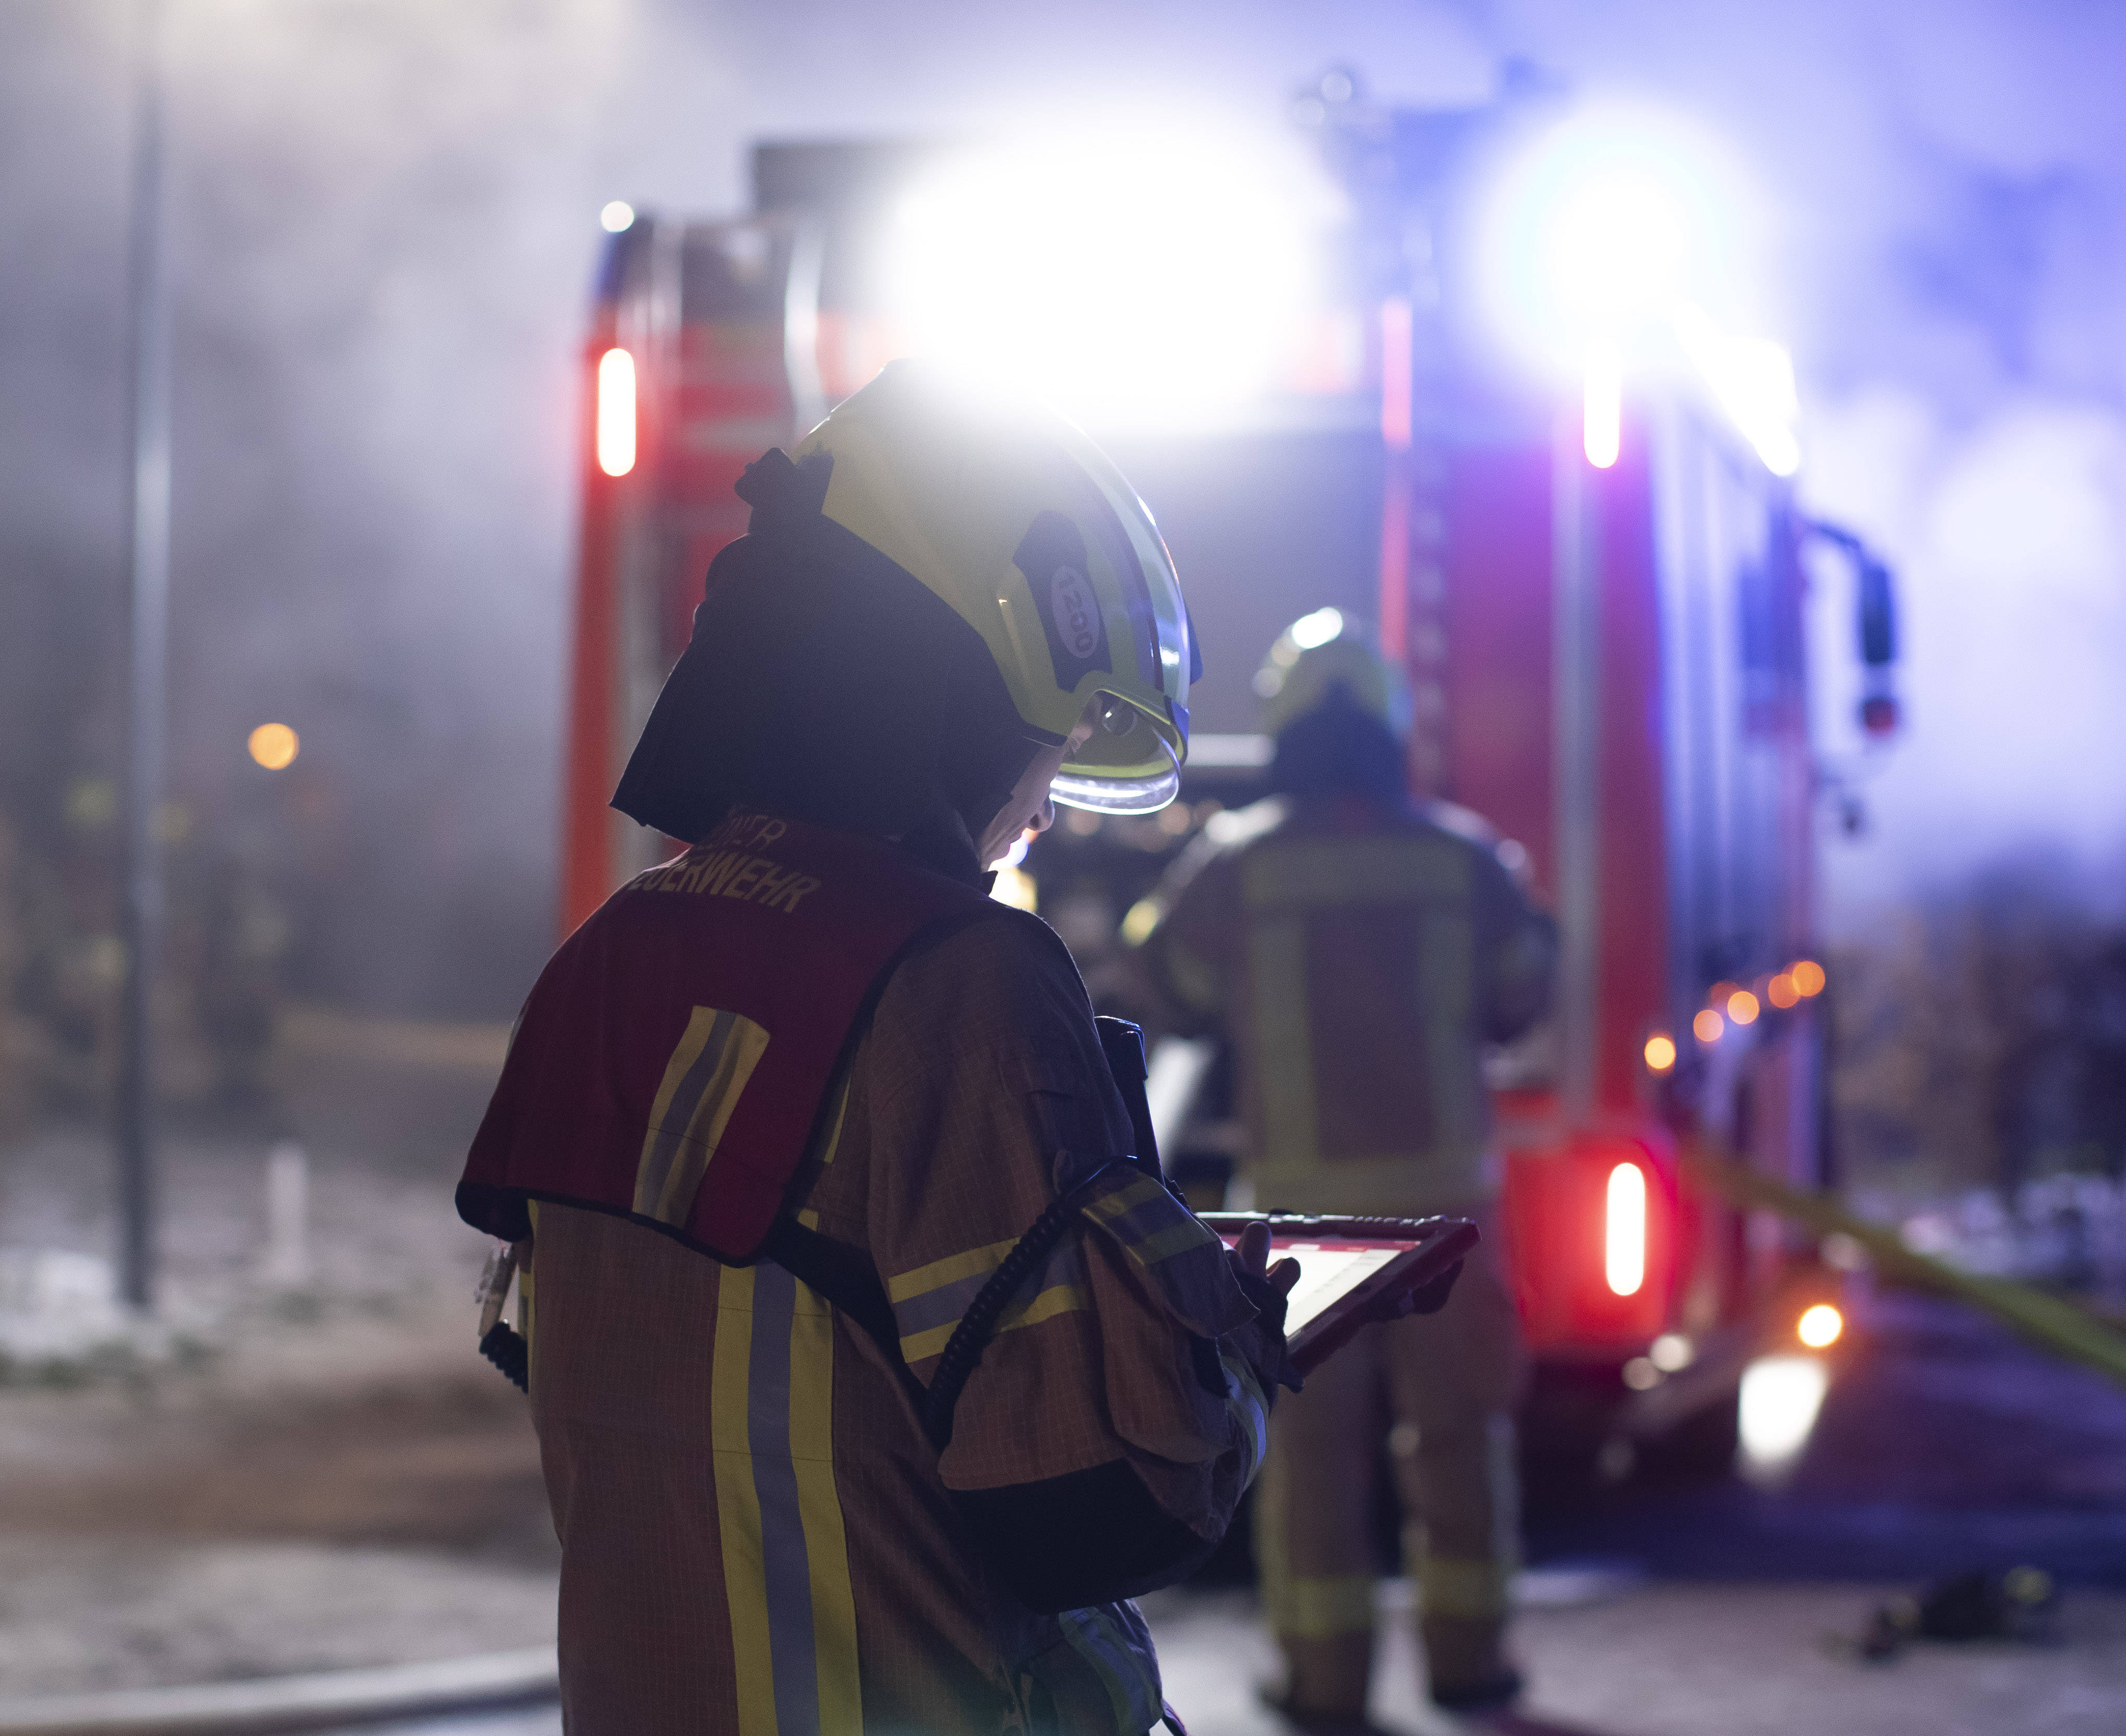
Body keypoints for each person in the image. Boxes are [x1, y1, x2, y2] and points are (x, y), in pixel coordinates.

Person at [457, 365, 1298, 1735]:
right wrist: (1223, 1341)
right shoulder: (962, 985)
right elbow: (1092, 1503)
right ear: (954, 698)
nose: (1042, 803)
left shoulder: (610, 954)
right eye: (1043, 740)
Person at [1137, 610, 1555, 1726]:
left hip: (1301, 1221)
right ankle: (1470, 1665)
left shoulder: (1236, 864)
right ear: (1388, 721)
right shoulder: (1463, 859)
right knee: (1461, 1435)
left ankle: (1322, 1681)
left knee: (1312, 1459)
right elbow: (1524, 996)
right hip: (1447, 1209)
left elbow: (1164, 987)